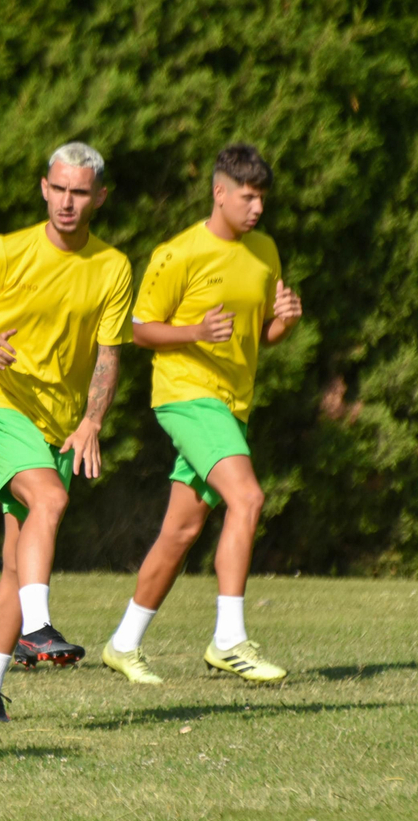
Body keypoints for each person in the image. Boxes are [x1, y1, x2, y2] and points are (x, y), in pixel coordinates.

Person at [0, 142, 131, 722]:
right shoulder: (8, 250)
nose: (67, 202)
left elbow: (108, 353)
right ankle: (38, 628)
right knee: (50, 497)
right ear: (44, 188)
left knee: (17, 562)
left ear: (99, 197)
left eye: (80, 193)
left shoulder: (113, 266)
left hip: (58, 424)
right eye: (59, 189)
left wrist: (92, 420)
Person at [101, 144, 302, 684]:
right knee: (249, 496)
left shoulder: (265, 251)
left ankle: (123, 644)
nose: (257, 208)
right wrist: (194, 331)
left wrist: (286, 321)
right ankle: (229, 639)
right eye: (247, 196)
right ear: (220, 192)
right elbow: (139, 328)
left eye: (262, 198)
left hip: (232, 406)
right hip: (186, 396)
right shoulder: (179, 254)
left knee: (182, 530)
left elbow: (262, 337)